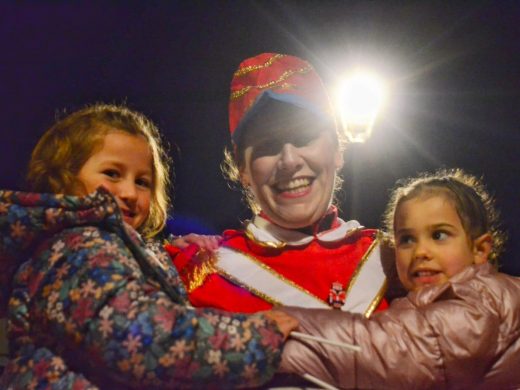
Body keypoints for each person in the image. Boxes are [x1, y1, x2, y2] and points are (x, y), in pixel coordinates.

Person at [0, 103, 297, 389]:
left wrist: (161, 257)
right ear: (63, 177)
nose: (129, 192)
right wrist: (256, 338)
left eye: (142, 181)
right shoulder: (75, 249)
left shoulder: (93, 247)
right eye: (112, 173)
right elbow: (140, 336)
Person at [168, 53, 395, 317]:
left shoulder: (396, 262)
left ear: (337, 151)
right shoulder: (198, 269)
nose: (289, 161)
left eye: (304, 137)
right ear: (243, 169)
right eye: (267, 146)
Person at [279, 169, 520, 389]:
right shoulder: (419, 304)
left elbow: (389, 351)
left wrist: (275, 336)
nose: (420, 252)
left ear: (480, 249)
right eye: (406, 239)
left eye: (439, 235)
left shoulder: (483, 300)